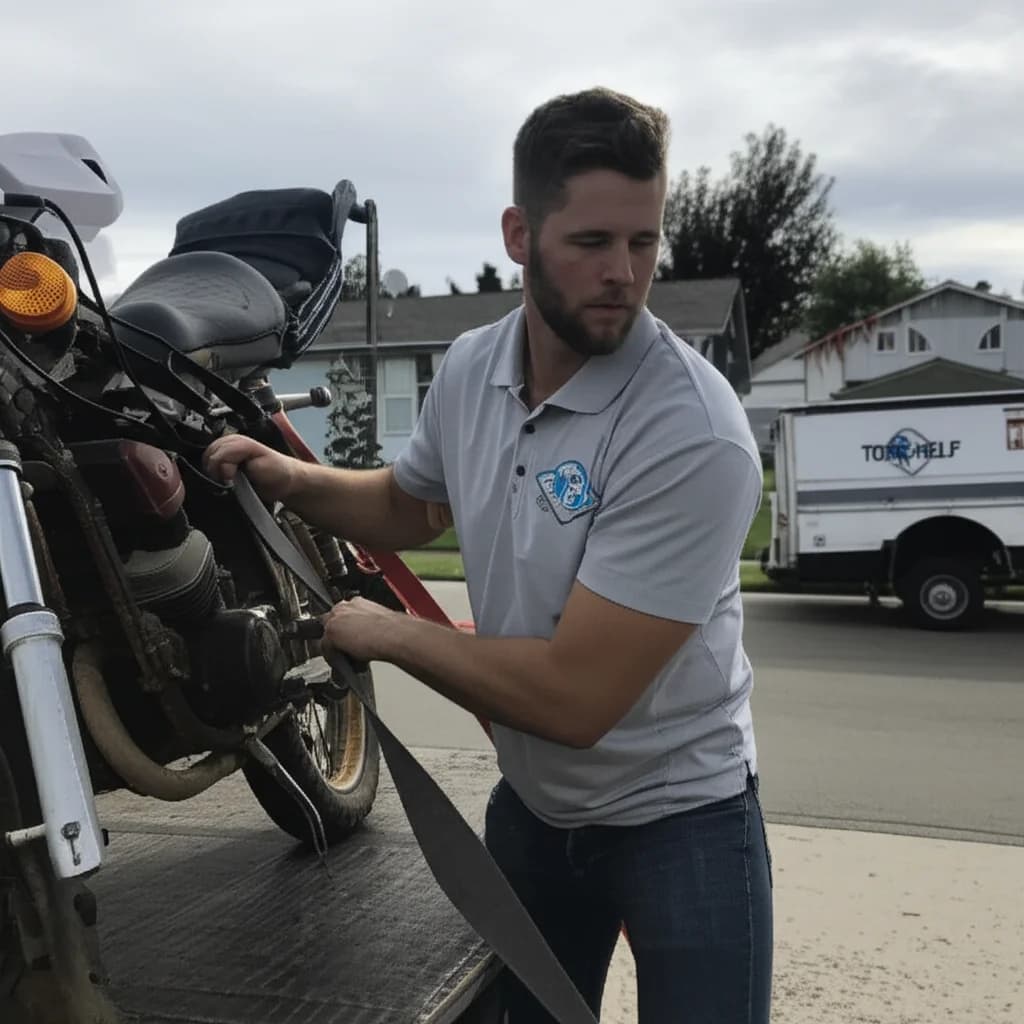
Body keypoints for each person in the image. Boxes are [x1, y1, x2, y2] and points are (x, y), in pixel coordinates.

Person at [204, 86, 773, 1023]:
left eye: (645, 241)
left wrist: (387, 634)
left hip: (684, 821)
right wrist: (295, 479)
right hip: (538, 815)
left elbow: (574, 698)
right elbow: (410, 504)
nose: (624, 274)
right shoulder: (471, 367)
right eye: (592, 243)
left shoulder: (692, 433)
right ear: (520, 233)